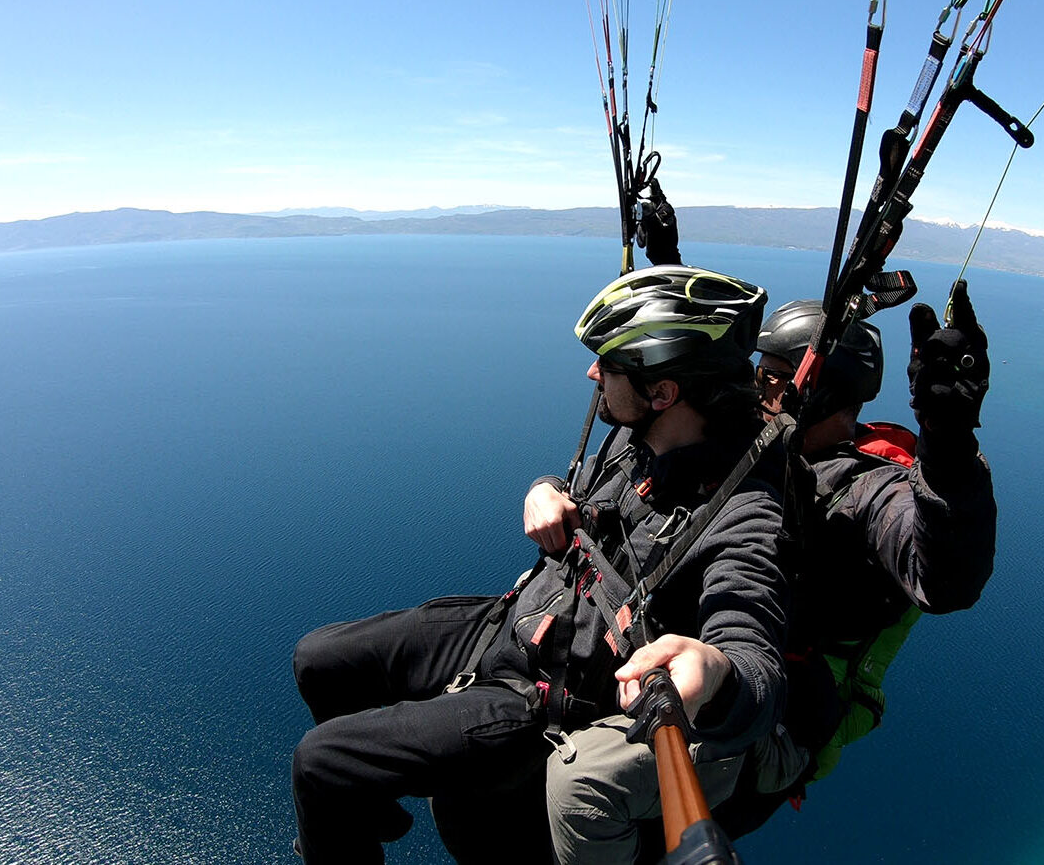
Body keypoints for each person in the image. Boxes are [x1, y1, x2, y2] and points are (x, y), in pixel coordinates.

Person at [289, 265, 788, 864]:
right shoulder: (643, 439)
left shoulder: (741, 511)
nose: (592, 372)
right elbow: (587, 498)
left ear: (664, 392)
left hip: (540, 693)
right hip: (507, 625)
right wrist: (546, 487)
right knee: (318, 660)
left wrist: (718, 670)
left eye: (608, 363)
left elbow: (754, 654)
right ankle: (370, 810)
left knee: (321, 764)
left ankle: (359, 806)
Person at [709, 282, 998, 838]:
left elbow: (947, 577)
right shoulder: (778, 451)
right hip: (743, 675)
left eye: (772, 375)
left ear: (820, 389)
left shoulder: (869, 488)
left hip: (788, 722)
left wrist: (949, 440)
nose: (758, 387)